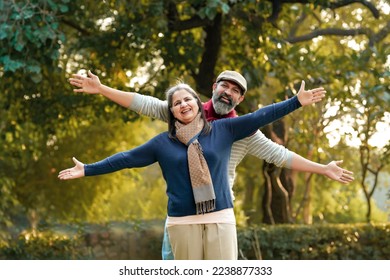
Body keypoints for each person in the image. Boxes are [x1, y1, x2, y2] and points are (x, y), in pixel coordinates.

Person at [68, 70, 354, 259]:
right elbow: (142, 105)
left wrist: (323, 168)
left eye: (235, 90)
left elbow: (280, 154)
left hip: (218, 212)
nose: (227, 91)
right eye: (224, 85)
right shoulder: (181, 112)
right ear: (213, 88)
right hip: (181, 214)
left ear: (239, 99)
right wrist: (102, 88)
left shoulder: (237, 130)